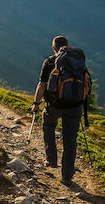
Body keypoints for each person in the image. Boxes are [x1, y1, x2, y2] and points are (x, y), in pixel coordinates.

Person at [32, 36, 84, 186]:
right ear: (67, 47)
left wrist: (36, 103)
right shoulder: (77, 62)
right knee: (70, 139)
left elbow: (42, 85)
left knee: (48, 125)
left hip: (55, 105)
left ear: (54, 48)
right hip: (75, 106)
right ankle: (67, 176)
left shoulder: (49, 61)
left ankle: (52, 160)